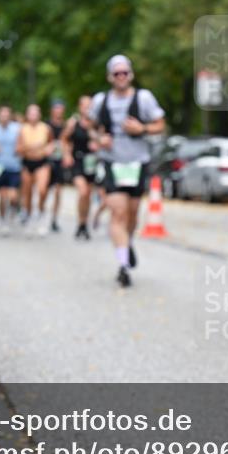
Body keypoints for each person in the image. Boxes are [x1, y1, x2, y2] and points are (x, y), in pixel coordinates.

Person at [90, 54, 166, 287]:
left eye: (125, 72)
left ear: (131, 74)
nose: (121, 76)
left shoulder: (143, 98)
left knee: (132, 214)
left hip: (137, 162)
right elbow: (91, 129)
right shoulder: (100, 101)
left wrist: (142, 128)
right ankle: (123, 264)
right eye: (116, 73)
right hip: (111, 162)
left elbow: (161, 125)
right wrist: (99, 139)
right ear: (110, 76)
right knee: (118, 212)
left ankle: (127, 242)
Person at [61, 95, 99, 240]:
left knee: (88, 194)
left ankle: (84, 224)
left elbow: (101, 140)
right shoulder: (73, 123)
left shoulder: (95, 123)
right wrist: (67, 155)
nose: (87, 108)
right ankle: (80, 222)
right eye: (85, 105)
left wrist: (96, 143)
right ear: (80, 107)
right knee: (83, 192)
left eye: (90, 105)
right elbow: (64, 139)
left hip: (91, 161)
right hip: (77, 160)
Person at [17, 103, 55, 235]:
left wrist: (48, 149)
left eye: (36, 113)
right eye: (31, 113)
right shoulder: (23, 129)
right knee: (27, 193)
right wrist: (32, 147)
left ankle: (41, 212)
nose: (33, 116)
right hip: (27, 162)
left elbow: (51, 144)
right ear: (27, 115)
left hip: (42, 162)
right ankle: (28, 214)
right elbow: (18, 149)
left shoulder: (45, 128)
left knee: (42, 189)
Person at [0, 105, 22, 235]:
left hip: (14, 166)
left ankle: (12, 211)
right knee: (2, 195)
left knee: (13, 196)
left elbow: (21, 143)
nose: (4, 117)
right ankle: (3, 220)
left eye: (7, 115)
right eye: (2, 115)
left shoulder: (17, 128)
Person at [46, 101, 67, 232]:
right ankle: (42, 214)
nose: (58, 111)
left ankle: (54, 219)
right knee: (44, 190)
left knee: (58, 192)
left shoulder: (66, 126)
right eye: (56, 109)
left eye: (61, 109)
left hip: (60, 161)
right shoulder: (46, 125)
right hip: (47, 161)